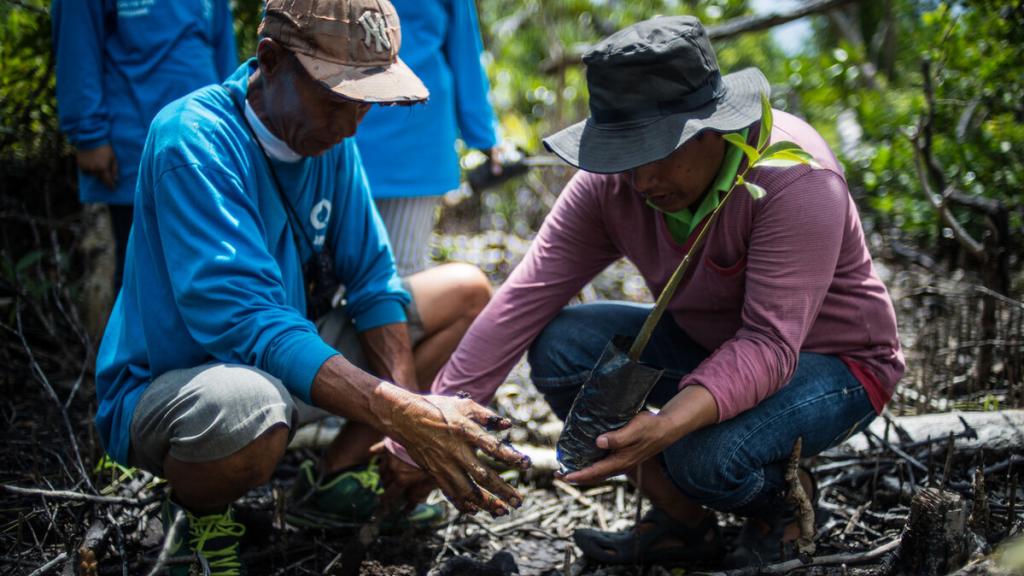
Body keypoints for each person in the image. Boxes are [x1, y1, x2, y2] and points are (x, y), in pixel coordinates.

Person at [396, 15, 905, 568]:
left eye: (656, 154)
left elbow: (769, 344)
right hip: (709, 347)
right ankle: (683, 525)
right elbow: (525, 297)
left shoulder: (792, 179)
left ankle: (782, 505)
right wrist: (430, 426)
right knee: (565, 347)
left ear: (712, 128)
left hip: (835, 364)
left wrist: (665, 427)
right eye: (625, 156)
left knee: (701, 456)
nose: (640, 183)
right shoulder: (614, 184)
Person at [94, 1, 526, 572]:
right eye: (334, 100)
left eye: (364, 107)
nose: (350, 126)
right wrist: (403, 411)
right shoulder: (192, 140)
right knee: (248, 406)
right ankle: (198, 526)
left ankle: (337, 478)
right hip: (180, 386)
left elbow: (374, 280)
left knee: (466, 292)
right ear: (270, 61)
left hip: (282, 363)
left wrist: (406, 423)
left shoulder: (330, 144)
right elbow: (247, 321)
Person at [52, 0, 238, 291]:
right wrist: (88, 134)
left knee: (208, 267)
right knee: (143, 277)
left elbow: (222, 47)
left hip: (207, 147)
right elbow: (78, 43)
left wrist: (235, 122)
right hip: (135, 147)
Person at [354, 0, 501, 276]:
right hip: (332, 131)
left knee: (399, 273)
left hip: (414, 138)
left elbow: (463, 44)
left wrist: (485, 136)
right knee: (334, 275)